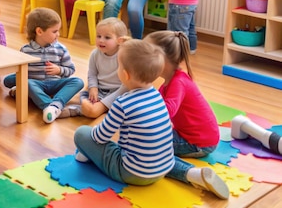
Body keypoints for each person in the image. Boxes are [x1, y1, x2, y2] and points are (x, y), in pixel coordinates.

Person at [74, 40, 229, 199]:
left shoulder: (122, 103)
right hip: (163, 169)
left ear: (125, 74)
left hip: (131, 173)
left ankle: (89, 154)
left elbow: (100, 137)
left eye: (118, 66)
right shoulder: (157, 95)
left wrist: (88, 144)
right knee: (152, 153)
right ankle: (192, 174)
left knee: (82, 133)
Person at [145, 30, 219, 159]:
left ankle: (186, 171)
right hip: (193, 136)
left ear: (163, 60)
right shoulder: (170, 81)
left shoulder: (178, 82)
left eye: (147, 56)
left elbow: (167, 111)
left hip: (200, 143)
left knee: (146, 143)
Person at [4, 7, 84, 123]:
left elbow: (71, 69)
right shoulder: (25, 50)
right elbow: (20, 71)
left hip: (55, 83)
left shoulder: (61, 49)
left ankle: (54, 106)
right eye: (54, 31)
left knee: (78, 81)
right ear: (39, 31)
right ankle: (50, 107)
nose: (58, 34)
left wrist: (59, 70)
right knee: (17, 81)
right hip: (35, 84)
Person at [67, 17, 129, 118]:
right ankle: (88, 108)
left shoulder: (123, 56)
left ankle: (78, 110)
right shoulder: (95, 54)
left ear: (120, 41)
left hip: (118, 91)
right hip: (101, 89)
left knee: (125, 102)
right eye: (98, 36)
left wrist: (106, 101)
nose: (101, 40)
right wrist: (93, 88)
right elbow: (92, 73)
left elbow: (126, 84)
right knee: (85, 95)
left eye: (107, 37)